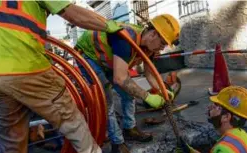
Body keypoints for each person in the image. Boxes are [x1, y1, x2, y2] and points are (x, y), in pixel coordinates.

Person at [0, 1, 122, 153]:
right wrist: (107, 25)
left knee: (10, 143)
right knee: (71, 121)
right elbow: (74, 14)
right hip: (24, 66)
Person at [74, 14, 180, 152]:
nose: (162, 48)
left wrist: (162, 90)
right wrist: (147, 97)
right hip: (90, 56)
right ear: (154, 34)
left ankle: (129, 129)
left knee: (129, 94)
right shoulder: (125, 38)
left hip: (109, 60)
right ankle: (117, 143)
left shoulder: (150, 47)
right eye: (163, 43)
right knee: (107, 101)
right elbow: (120, 78)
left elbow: (149, 74)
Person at [176, 86, 247, 153]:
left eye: (216, 105)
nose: (210, 107)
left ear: (226, 117)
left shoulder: (222, 148)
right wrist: (190, 151)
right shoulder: (242, 134)